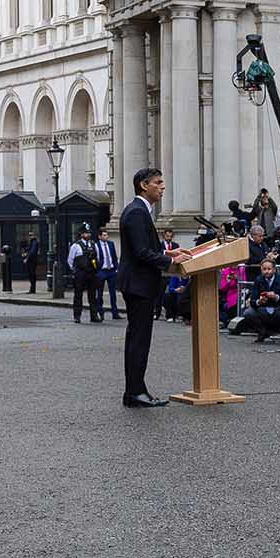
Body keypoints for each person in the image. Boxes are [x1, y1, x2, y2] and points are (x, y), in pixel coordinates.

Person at [118, 167, 179, 408]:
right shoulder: (136, 213)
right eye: (158, 182)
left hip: (139, 284)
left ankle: (136, 390)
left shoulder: (140, 211)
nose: (162, 186)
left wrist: (167, 252)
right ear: (144, 185)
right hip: (138, 285)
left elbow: (144, 247)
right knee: (139, 341)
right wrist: (171, 262)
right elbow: (141, 253)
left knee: (138, 340)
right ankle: (134, 393)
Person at [67, 225, 107, 323]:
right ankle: (77, 316)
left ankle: (94, 316)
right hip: (80, 273)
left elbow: (97, 259)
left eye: (89, 233)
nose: (88, 235)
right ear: (81, 234)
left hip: (91, 273)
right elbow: (70, 260)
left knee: (93, 295)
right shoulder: (76, 246)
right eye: (86, 233)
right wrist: (76, 271)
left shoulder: (94, 244)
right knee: (78, 295)